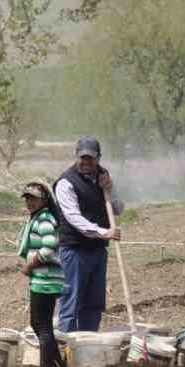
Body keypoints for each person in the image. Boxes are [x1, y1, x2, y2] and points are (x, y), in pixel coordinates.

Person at [53, 137, 123, 334]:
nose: (86, 163)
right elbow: (74, 218)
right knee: (71, 302)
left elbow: (118, 208)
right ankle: (66, 350)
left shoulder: (103, 177)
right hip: (74, 250)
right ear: (76, 157)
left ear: (98, 158)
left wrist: (109, 189)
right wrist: (104, 232)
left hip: (98, 251)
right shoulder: (66, 183)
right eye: (82, 158)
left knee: (94, 304)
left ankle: (88, 345)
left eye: (90, 159)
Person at [17, 181, 66, 367]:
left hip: (45, 278)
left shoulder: (44, 219)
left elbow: (48, 246)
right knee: (39, 323)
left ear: (43, 200)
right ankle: (56, 363)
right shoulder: (38, 217)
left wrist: (30, 264)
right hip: (44, 278)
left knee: (41, 324)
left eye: (34, 198)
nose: (29, 202)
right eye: (27, 198)